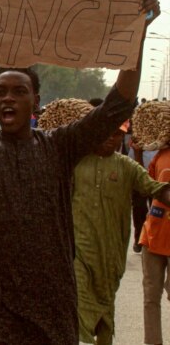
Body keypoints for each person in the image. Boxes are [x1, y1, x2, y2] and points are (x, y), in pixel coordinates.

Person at [0, 0, 166, 344]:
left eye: (18, 92)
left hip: (52, 306)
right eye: (0, 92)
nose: (8, 98)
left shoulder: (60, 145)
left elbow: (117, 105)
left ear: (35, 101)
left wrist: (140, 31)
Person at [71, 122, 168, 345]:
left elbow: (154, 188)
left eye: (117, 135)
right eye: (106, 132)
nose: (111, 139)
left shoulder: (126, 167)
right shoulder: (76, 162)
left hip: (111, 257)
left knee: (105, 312)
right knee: (79, 307)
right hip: (79, 252)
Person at [139, 143, 170, 345]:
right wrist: (139, 153)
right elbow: (144, 184)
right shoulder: (160, 155)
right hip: (153, 235)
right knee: (151, 297)